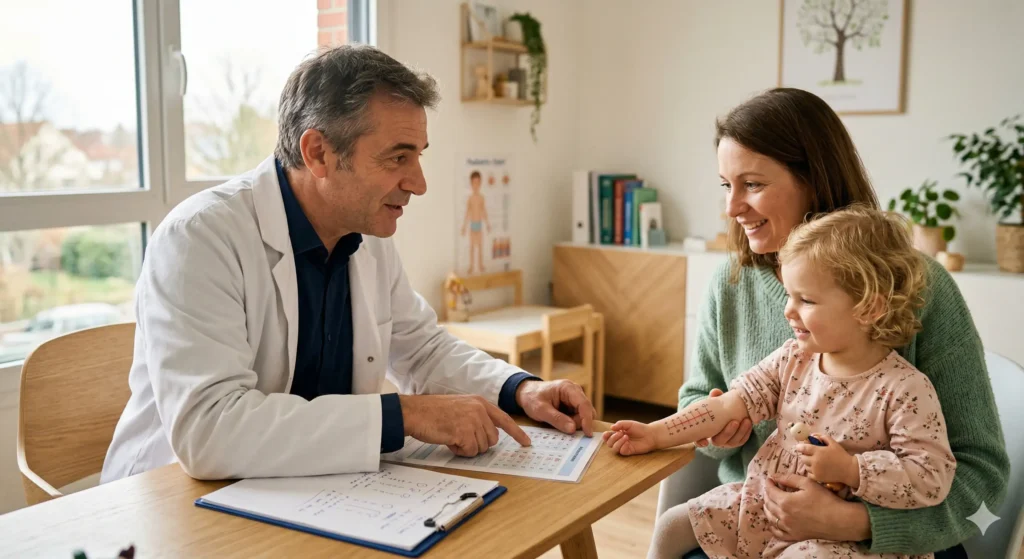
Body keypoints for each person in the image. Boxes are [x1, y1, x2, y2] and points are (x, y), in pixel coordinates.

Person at [100, 45, 594, 483]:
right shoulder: (200, 239)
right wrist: (401, 415)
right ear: (317, 153)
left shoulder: (367, 232)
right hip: (172, 504)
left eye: (418, 156)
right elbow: (210, 431)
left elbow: (421, 349)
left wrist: (520, 389)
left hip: (307, 489)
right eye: (397, 158)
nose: (419, 183)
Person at [660, 88, 1008, 558]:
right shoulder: (731, 283)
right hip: (753, 525)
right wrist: (719, 429)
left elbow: (980, 475)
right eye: (726, 185)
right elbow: (699, 397)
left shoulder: (922, 288)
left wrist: (854, 521)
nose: (731, 208)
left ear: (814, 179)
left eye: (753, 185)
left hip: (893, 540)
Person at [606, 207, 957, 559]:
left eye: (805, 300)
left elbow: (932, 475)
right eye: (789, 295)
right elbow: (724, 407)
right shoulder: (793, 359)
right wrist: (654, 434)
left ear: (868, 308)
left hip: (841, 542)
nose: (788, 310)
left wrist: (852, 470)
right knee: (672, 523)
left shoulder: (906, 389)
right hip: (764, 505)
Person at [460, 170, 491, 274]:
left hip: (480, 225)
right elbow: (467, 213)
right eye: (474, 183)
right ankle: (471, 266)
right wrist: (464, 226)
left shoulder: (481, 198)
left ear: (480, 183)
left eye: (478, 182)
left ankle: (481, 265)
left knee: (480, 246)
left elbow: (484, 211)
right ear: (471, 184)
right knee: (472, 247)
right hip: (472, 225)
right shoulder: (470, 198)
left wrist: (487, 224)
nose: (476, 185)